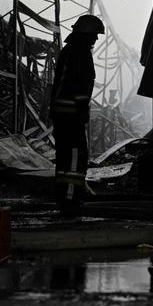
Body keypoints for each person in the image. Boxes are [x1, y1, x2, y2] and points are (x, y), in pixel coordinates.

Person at [50, 14, 104, 215]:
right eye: (94, 35)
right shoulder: (80, 53)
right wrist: (82, 111)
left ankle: (63, 196)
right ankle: (71, 198)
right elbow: (81, 84)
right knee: (75, 156)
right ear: (85, 35)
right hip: (71, 113)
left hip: (61, 113)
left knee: (64, 156)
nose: (96, 40)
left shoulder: (68, 51)